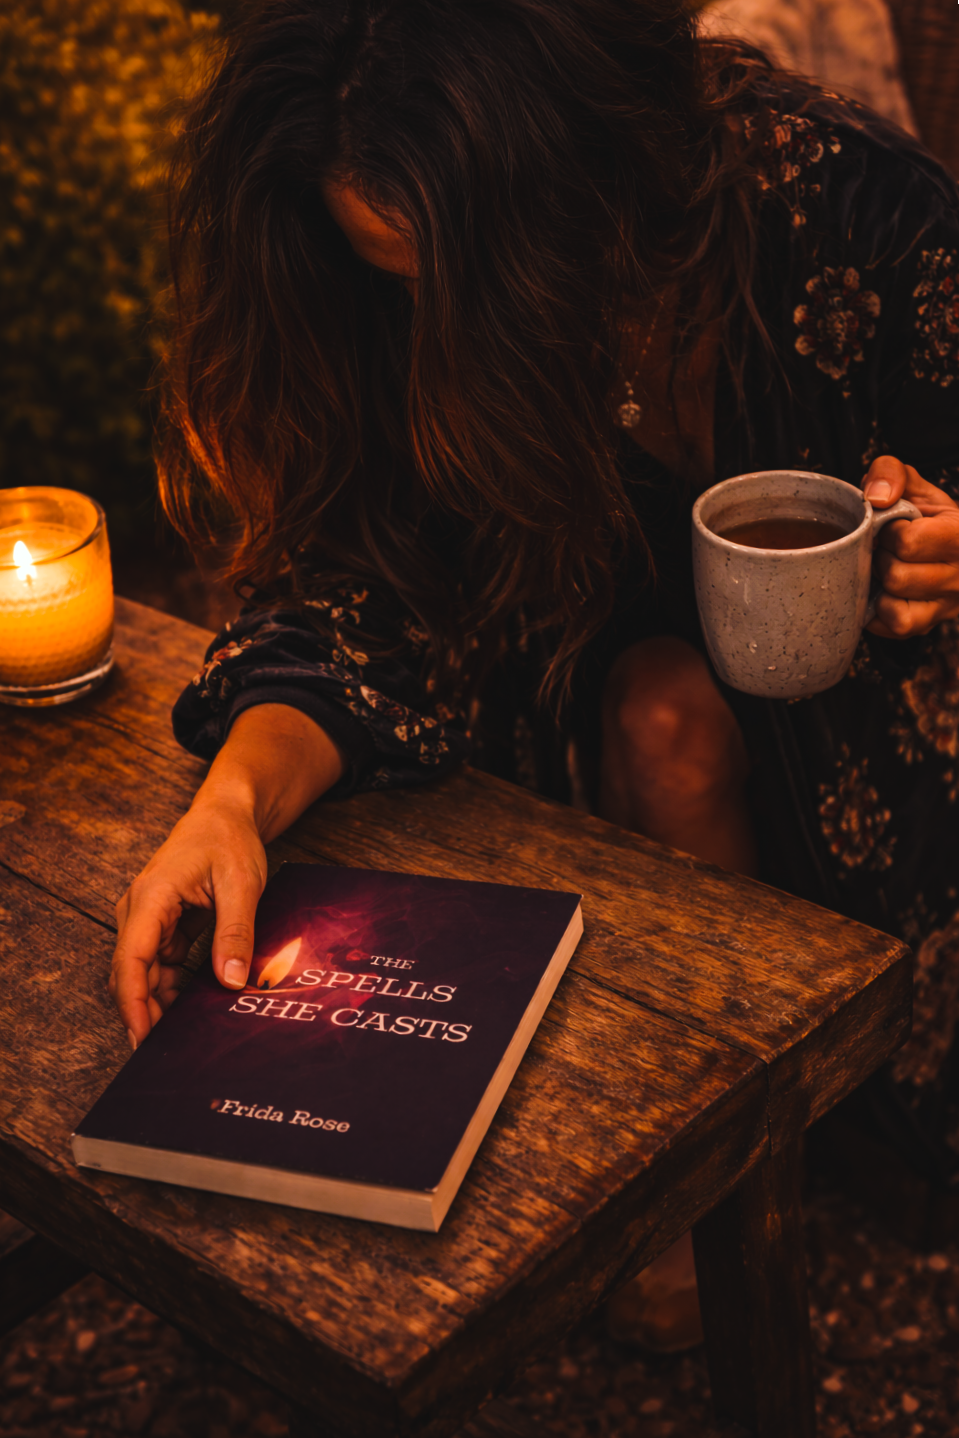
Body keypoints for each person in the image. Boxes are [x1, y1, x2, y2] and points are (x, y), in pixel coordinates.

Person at [111, 0, 959, 1352]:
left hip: (890, 755)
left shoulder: (870, 219)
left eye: (470, 265)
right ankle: (712, 1162)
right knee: (661, 709)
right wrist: (231, 799)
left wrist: (946, 551)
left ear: (594, 156)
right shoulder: (389, 279)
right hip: (614, 738)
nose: (440, 320)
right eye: (396, 276)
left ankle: (850, 1115)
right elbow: (363, 594)